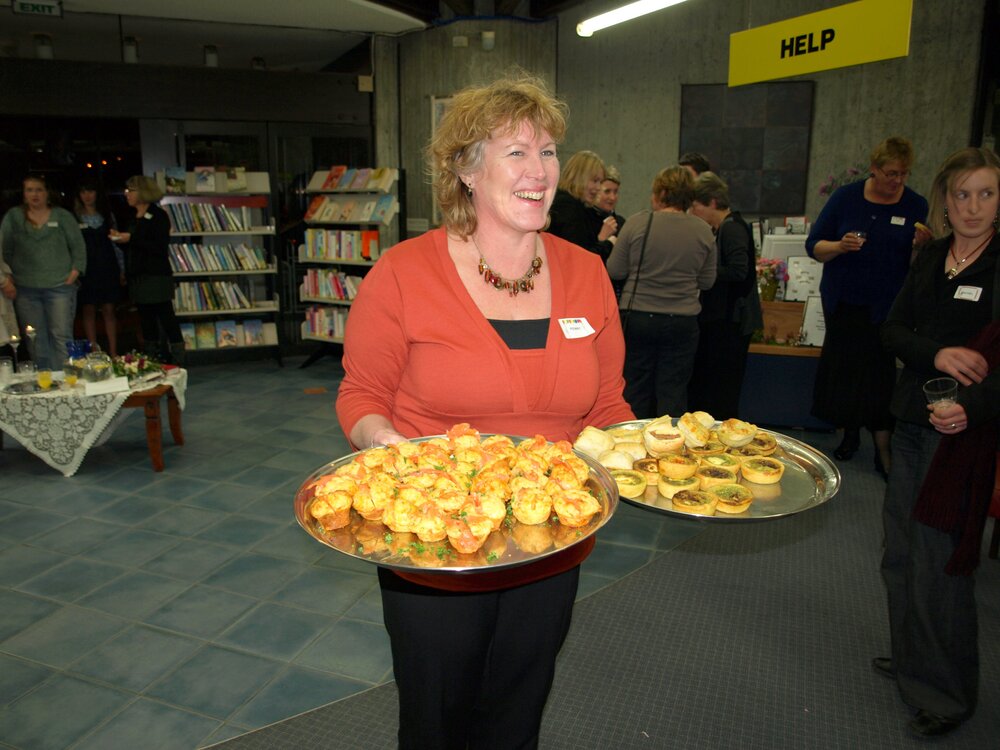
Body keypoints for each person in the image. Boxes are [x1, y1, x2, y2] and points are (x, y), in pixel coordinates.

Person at [336, 74, 633, 750]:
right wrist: (390, 448)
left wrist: (636, 456)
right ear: (466, 170)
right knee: (437, 717)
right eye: (516, 153)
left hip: (550, 539)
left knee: (517, 711)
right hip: (436, 549)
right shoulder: (404, 273)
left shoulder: (587, 272)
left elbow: (609, 404)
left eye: (550, 151)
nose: (540, 171)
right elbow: (362, 396)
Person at [877, 146, 1000, 739]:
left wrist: (969, 406)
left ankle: (944, 694)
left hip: (962, 438)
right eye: (961, 194)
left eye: (985, 193)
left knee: (939, 564)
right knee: (899, 551)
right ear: (945, 202)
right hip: (911, 425)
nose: (972, 206)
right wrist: (937, 353)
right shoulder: (931, 257)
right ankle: (910, 660)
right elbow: (893, 330)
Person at [806, 136, 931, 478]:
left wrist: (921, 249)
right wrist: (840, 246)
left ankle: (882, 447)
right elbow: (813, 246)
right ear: (874, 169)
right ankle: (848, 436)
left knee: (880, 375)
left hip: (888, 306)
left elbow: (918, 265)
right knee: (845, 369)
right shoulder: (846, 198)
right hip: (844, 302)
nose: (897, 181)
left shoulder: (915, 205)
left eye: (903, 174)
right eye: (891, 173)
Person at [607, 165, 716, 418]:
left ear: (660, 193)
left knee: (635, 388)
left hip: (639, 318)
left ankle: (633, 446)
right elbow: (708, 281)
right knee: (674, 390)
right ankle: (672, 449)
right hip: (682, 321)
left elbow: (615, 269)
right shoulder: (703, 231)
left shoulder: (637, 223)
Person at [689, 171, 763, 417]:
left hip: (731, 320)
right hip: (729, 318)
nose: (693, 212)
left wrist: (704, 268)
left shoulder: (731, 229)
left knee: (723, 386)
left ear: (711, 202)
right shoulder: (728, 227)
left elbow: (739, 270)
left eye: (696, 206)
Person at [0, 174, 86, 370]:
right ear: (23, 194)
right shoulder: (13, 217)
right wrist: (8, 277)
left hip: (60, 286)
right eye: (29, 190)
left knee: (61, 335)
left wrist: (75, 272)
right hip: (26, 288)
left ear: (47, 193)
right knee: (35, 338)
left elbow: (78, 247)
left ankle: (66, 379)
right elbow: (4, 250)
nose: (34, 194)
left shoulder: (62, 216)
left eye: (38, 189)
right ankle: (45, 380)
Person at [111, 175, 184, 364]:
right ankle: (151, 356)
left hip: (156, 274)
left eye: (131, 190)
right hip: (137, 275)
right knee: (145, 317)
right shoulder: (131, 217)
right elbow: (132, 246)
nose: (127, 194)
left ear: (142, 192)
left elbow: (158, 246)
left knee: (165, 314)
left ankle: (177, 355)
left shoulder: (158, 216)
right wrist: (120, 239)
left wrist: (131, 239)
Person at [75, 180, 124, 357]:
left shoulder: (107, 216)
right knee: (88, 309)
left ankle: (113, 351)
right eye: (83, 192)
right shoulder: (75, 217)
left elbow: (116, 243)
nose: (87, 196)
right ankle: (94, 352)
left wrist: (122, 268)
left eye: (90, 191)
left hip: (107, 265)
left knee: (109, 309)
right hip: (87, 268)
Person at [546, 149, 618, 261]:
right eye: (595, 181)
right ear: (579, 177)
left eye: (600, 182)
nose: (598, 187)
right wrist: (608, 243)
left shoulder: (563, 202)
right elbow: (580, 259)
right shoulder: (570, 208)